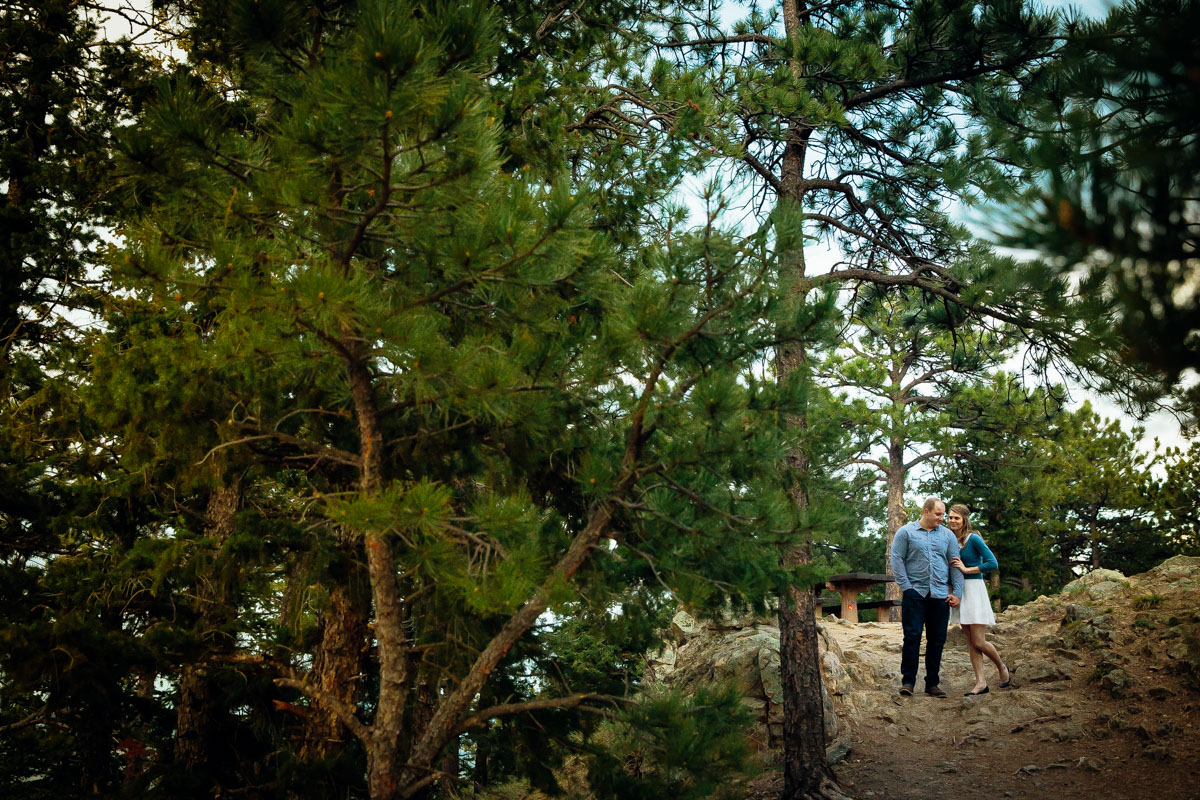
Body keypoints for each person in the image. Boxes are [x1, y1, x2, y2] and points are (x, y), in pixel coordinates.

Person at [890, 497, 962, 697]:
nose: (942, 518)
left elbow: (954, 564)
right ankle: (908, 682)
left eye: (943, 514)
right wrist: (907, 588)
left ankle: (932, 683)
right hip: (915, 593)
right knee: (912, 637)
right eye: (938, 514)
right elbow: (896, 559)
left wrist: (957, 592)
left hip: (940, 595)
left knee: (937, 639)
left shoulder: (948, 536)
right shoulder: (906, 532)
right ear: (926, 511)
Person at [947, 503, 1012, 695]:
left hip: (974, 589)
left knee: (978, 640)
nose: (952, 521)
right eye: (950, 517)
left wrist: (967, 569)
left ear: (964, 519)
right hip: (959, 591)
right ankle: (980, 682)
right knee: (970, 641)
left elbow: (992, 563)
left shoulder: (973, 539)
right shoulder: (950, 540)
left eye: (956, 518)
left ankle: (1001, 667)